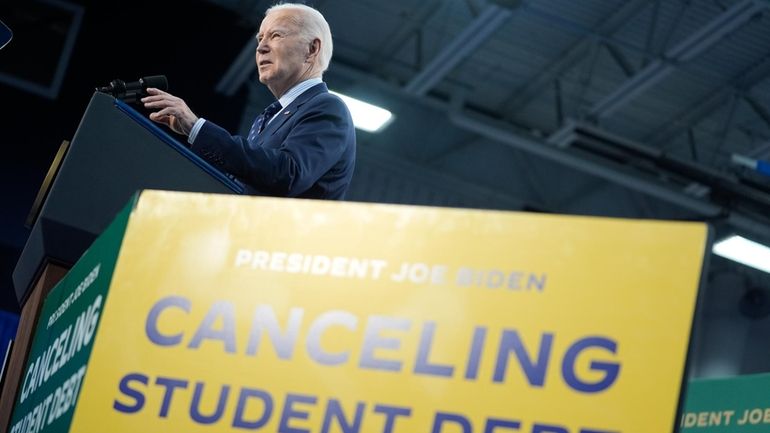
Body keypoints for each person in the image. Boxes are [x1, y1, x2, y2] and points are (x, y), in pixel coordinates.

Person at [141, 3, 355, 200]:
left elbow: (287, 174)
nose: (261, 47)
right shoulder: (269, 117)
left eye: (276, 35)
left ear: (312, 49)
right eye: (260, 39)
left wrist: (197, 128)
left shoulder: (328, 107)